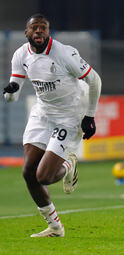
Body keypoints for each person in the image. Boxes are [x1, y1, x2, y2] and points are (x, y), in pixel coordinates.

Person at [3, 14, 101, 237]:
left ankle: (69, 165)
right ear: (27, 32)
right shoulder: (21, 55)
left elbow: (94, 80)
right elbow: (14, 89)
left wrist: (90, 115)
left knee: (44, 176)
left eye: (43, 28)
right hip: (42, 113)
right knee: (28, 172)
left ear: (49, 32)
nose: (39, 31)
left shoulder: (64, 53)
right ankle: (55, 226)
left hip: (69, 115)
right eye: (34, 28)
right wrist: (10, 92)